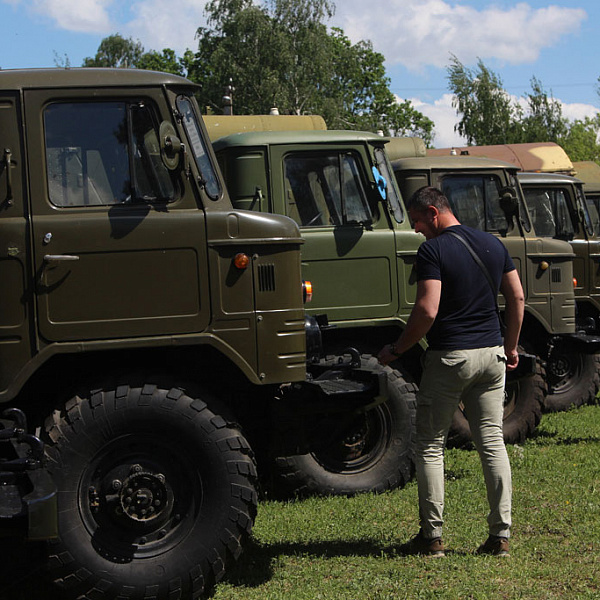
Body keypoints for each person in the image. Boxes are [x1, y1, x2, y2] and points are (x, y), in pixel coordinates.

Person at [378, 186, 524, 558]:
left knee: (430, 445)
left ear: (433, 212)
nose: (418, 230)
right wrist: (510, 346)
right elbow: (517, 297)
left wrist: (397, 350)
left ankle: (432, 538)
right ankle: (501, 536)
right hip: (491, 356)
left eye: (417, 222)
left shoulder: (433, 250)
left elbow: (427, 310)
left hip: (450, 358)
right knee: (491, 441)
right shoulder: (493, 243)